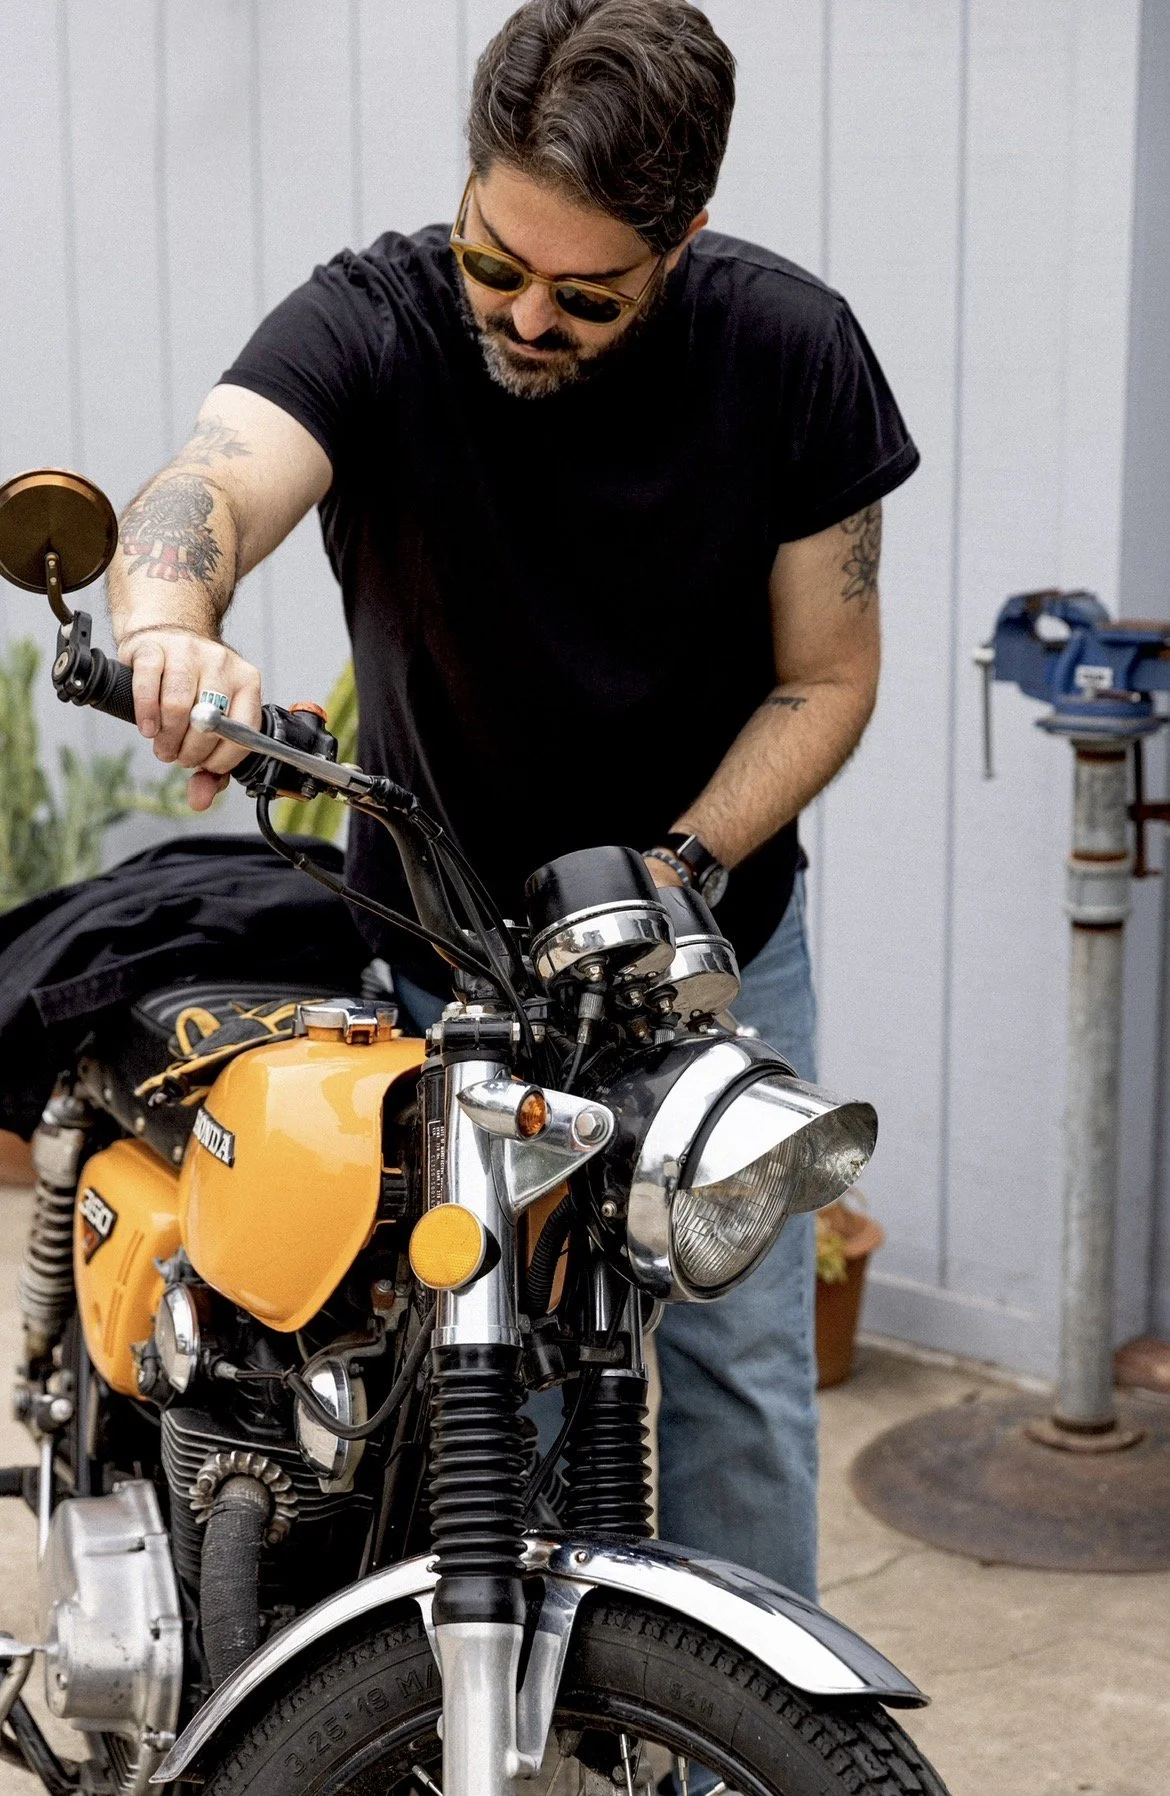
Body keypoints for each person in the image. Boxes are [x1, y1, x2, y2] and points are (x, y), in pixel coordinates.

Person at [107, 0, 918, 1604]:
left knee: (739, 1383)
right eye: (497, 263)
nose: (526, 315)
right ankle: (519, 1739)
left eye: (583, 292)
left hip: (707, 952)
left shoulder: (790, 351)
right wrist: (164, 627)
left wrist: (678, 866)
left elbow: (824, 676)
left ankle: (732, 1766)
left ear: (679, 239)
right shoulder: (376, 318)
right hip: (443, 965)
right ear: (468, 193)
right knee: (491, 1380)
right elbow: (209, 479)